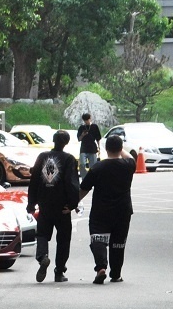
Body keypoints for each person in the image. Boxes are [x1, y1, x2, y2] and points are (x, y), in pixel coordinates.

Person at [78, 134, 136, 284]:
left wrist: (72, 204)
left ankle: (101, 268)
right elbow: (130, 156)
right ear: (121, 148)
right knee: (118, 243)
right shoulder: (129, 165)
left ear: (105, 148)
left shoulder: (97, 167)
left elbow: (84, 188)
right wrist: (121, 150)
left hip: (101, 210)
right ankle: (116, 274)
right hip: (123, 211)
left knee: (97, 238)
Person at [26, 130, 81, 282]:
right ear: (67, 143)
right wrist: (72, 204)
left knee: (42, 234)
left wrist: (31, 204)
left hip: (44, 204)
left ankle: (43, 257)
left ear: (54, 140)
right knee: (63, 239)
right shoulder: (68, 159)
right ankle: (59, 271)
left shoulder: (42, 157)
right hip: (62, 207)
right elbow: (71, 183)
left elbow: (34, 181)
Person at [77, 113, 102, 178]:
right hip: (83, 148)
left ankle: (92, 179)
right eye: (85, 120)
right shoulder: (81, 127)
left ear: (90, 119)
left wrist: (99, 147)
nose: (87, 121)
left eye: (87, 120)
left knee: (93, 166)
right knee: (82, 164)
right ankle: (84, 179)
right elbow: (79, 139)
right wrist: (82, 135)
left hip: (92, 148)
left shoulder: (94, 126)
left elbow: (98, 138)